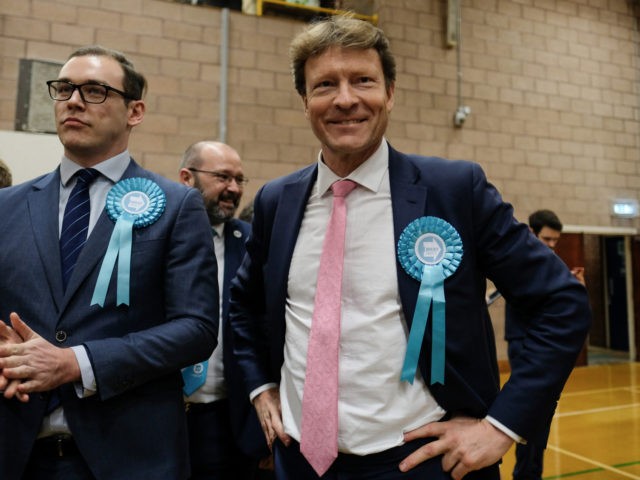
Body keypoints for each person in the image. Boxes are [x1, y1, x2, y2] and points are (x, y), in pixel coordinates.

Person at [228, 15, 591, 480]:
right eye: (325, 85)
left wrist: (502, 426)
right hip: (298, 459)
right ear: (305, 101)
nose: (345, 99)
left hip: (424, 462)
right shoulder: (277, 200)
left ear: (390, 93)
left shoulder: (455, 188)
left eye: (363, 80)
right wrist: (261, 386)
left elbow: (561, 303)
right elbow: (244, 303)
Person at [0, 46, 218, 480]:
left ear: (134, 111)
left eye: (95, 90)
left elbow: (196, 329)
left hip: (129, 455)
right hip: (18, 451)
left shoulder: (177, 206)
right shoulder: (7, 206)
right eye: (64, 89)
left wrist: (76, 362)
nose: (74, 101)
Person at [178, 141, 270, 479]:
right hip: (161, 418)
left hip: (229, 422)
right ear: (187, 178)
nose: (233, 188)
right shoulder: (151, 237)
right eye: (222, 177)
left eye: (240, 179)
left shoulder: (253, 243)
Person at [507, 209, 585, 480]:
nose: (552, 245)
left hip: (545, 347)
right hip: (525, 343)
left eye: (555, 241)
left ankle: (530, 474)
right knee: (529, 418)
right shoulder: (519, 261)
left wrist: (574, 289)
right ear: (531, 233)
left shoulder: (552, 265)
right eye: (546, 239)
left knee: (540, 422)